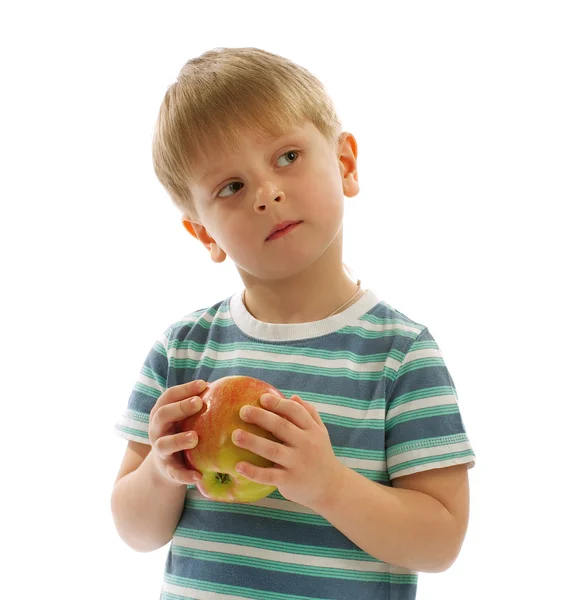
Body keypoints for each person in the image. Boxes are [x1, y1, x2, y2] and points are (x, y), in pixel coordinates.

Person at [111, 46, 476, 600]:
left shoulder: (400, 354)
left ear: (346, 164)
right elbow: (134, 531)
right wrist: (161, 473)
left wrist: (327, 485)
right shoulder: (183, 352)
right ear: (204, 233)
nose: (267, 193)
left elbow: (440, 541)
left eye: (286, 157)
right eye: (231, 187)